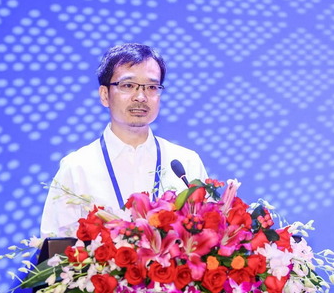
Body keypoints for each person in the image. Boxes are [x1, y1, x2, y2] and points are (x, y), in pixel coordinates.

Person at [40, 43, 208, 237]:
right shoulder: (77, 168)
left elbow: (209, 233)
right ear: (105, 95)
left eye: (151, 87)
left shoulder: (186, 163)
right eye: (128, 85)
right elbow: (55, 246)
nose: (141, 97)